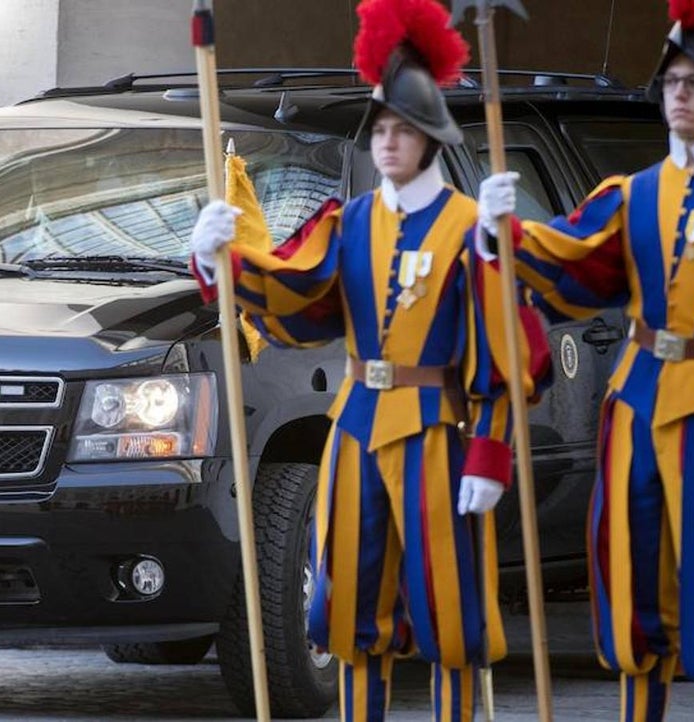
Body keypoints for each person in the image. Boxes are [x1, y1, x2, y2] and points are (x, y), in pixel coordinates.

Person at [191, 1, 548, 719]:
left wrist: (490, 453)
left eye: (403, 130)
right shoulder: (347, 222)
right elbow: (295, 289)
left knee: (449, 614)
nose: (388, 142)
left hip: (435, 431)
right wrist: (219, 258)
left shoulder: (465, 227)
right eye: (381, 128)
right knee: (350, 605)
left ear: (430, 138)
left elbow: (511, 344)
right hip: (355, 430)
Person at [477, 2, 694, 719]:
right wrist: (504, 232)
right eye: (671, 83)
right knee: (631, 579)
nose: (680, 95)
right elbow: (571, 264)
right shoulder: (632, 195)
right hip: (636, 402)